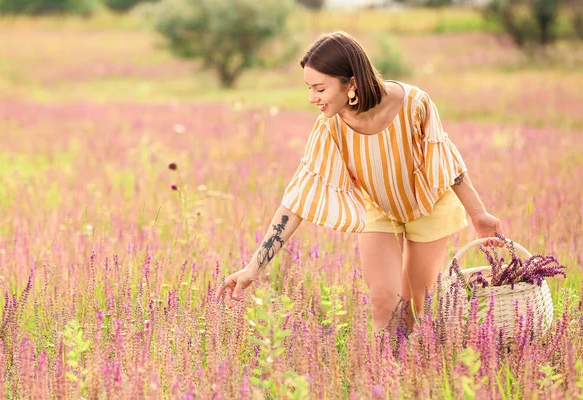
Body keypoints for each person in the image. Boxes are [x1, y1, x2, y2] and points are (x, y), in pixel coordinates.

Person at [215, 31, 503, 337]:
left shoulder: (415, 104)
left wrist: (478, 214)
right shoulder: (330, 126)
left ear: (351, 83)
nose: (312, 98)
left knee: (415, 307)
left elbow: (447, 163)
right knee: (383, 303)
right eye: (309, 88)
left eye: (319, 88)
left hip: (429, 206)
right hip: (378, 209)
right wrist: (252, 268)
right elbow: (298, 198)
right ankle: (384, 377)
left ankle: (418, 367)